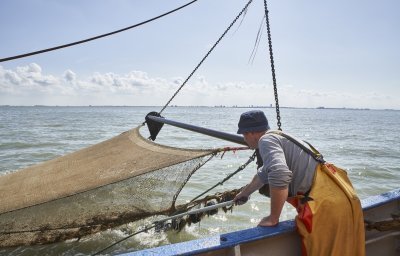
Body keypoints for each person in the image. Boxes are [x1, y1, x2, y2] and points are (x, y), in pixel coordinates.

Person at [233, 110, 365, 256]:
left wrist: (273, 218)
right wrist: (244, 194)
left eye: (244, 135)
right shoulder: (281, 137)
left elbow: (279, 173)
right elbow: (264, 173)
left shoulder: (265, 141)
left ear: (251, 133)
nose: (244, 139)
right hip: (345, 200)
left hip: (326, 207)